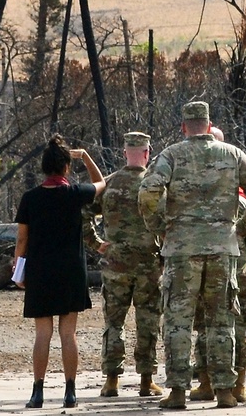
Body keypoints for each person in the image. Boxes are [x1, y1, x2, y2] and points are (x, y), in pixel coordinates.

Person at [139, 102, 246, 410]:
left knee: (178, 322)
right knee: (221, 321)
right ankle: (225, 391)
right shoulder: (232, 154)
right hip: (222, 248)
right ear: (209, 124)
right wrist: (243, 226)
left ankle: (177, 391)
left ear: (184, 126)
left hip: (182, 250)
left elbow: (148, 191)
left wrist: (159, 227)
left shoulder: (172, 154)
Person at [13, 135, 106, 409]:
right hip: (70, 272)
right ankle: (70, 392)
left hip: (40, 272)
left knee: (42, 334)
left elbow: (21, 240)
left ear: (43, 167)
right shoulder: (75, 194)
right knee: (69, 334)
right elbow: (102, 184)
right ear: (66, 166)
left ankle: (37, 392)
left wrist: (19, 269)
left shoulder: (30, 198)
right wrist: (86, 157)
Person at [88, 131, 164, 398]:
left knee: (114, 322)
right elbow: (167, 223)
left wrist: (95, 242)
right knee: (148, 320)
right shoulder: (154, 185)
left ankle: (111, 381)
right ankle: (146, 380)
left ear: (124, 153)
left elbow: (83, 211)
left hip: (115, 264)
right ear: (147, 152)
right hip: (148, 265)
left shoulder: (108, 184)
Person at [189, 125, 246, 404]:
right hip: (238, 265)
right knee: (234, 325)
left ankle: (212, 382)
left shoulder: (197, 197)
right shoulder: (240, 200)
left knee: (210, 325)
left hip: (214, 268)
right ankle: (233, 384)